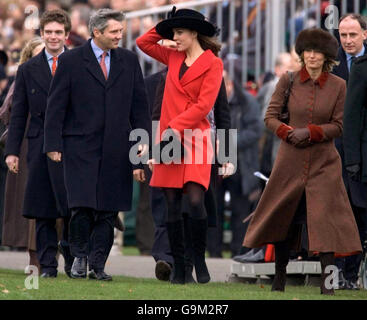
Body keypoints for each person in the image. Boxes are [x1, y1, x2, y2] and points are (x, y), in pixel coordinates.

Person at [243, 28, 362, 295]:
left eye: (316, 52)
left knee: (325, 222)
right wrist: (288, 132)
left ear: (326, 57)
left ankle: (328, 285)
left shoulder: (339, 85)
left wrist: (311, 132)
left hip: (324, 163)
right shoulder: (288, 80)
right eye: (307, 51)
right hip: (290, 161)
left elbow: (340, 125)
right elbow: (270, 117)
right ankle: (279, 278)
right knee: (284, 218)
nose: (311, 56)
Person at [44, 9, 151, 281]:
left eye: (121, 30)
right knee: (81, 205)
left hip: (117, 147)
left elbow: (140, 107)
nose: (120, 35)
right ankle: (79, 257)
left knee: (107, 209)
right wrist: (53, 143)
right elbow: (56, 106)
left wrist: (142, 142)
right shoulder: (70, 60)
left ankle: (98, 264)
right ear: (97, 32)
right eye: (114, 31)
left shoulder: (129, 60)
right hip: (79, 146)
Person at [136, 7, 224, 284]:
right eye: (173, 33)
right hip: (169, 138)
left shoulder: (213, 64)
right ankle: (180, 266)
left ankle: (198, 257)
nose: (174, 38)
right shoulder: (172, 55)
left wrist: (173, 128)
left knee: (196, 200)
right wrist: (167, 24)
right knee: (171, 204)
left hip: (195, 138)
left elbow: (204, 106)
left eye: (180, 32)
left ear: (194, 33)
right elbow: (143, 42)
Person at [4, 10, 73, 278]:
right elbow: (18, 113)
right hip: (37, 144)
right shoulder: (27, 69)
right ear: (41, 34)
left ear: (66, 34)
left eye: (58, 32)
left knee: (70, 206)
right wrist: (11, 152)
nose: (53, 37)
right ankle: (47, 266)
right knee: (42, 206)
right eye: (49, 32)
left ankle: (73, 259)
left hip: (71, 144)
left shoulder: (79, 63)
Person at [0, 37, 45, 271]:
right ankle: (34, 257)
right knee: (30, 200)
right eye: (38, 53)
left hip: (57, 144)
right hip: (27, 143)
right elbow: (7, 112)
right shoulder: (23, 78)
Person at [332, 13, 367, 290]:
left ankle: (352, 274)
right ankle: (339, 274)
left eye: (353, 35)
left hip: (362, 154)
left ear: (365, 34)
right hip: (334, 151)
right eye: (343, 35)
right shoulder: (331, 65)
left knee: (359, 213)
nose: (347, 40)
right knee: (337, 213)